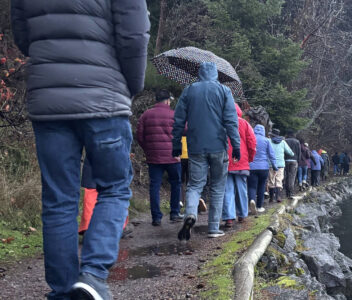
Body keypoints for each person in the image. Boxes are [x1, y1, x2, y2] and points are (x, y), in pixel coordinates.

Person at [11, 0, 150, 298]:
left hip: (48, 100)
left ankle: (63, 291)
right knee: (114, 187)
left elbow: (23, 35)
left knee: (58, 199)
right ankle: (93, 275)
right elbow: (134, 34)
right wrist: (132, 85)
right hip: (105, 97)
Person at [172, 62, 240, 240]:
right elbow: (231, 121)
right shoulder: (224, 91)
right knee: (218, 186)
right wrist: (236, 145)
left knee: (195, 185)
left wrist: (177, 143)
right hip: (218, 145)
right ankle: (213, 228)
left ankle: (190, 214)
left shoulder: (189, 90)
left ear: (200, 74)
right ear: (216, 74)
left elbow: (178, 119)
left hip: (196, 146)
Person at [137, 90, 182, 226]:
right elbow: (184, 130)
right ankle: (174, 213)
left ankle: (156, 217)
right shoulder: (174, 115)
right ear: (168, 100)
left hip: (154, 157)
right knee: (176, 183)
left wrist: (148, 149)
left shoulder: (146, 115)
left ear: (156, 100)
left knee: (154, 186)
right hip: (173, 157)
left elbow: (140, 136)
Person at [222, 104, 256, 227]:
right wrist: (250, 158)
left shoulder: (222, 122)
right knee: (242, 188)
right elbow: (252, 142)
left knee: (228, 189)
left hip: (225, 160)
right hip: (241, 160)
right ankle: (242, 214)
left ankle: (229, 217)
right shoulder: (244, 123)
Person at [248, 125, 278, 213]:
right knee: (261, 186)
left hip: (251, 167)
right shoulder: (266, 140)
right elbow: (271, 154)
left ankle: (252, 200)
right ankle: (259, 206)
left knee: (251, 186)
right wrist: (275, 166)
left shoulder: (250, 138)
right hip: (264, 167)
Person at [268, 129, 294, 203]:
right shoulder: (283, 142)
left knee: (271, 180)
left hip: (270, 164)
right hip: (280, 164)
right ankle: (278, 196)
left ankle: (271, 198)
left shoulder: (269, 141)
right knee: (279, 179)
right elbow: (290, 152)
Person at [284, 132, 301, 198]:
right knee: (292, 177)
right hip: (294, 161)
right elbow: (299, 152)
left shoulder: (285, 141)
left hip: (286, 160)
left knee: (287, 176)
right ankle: (291, 192)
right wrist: (298, 161)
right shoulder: (297, 142)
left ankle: (287, 192)